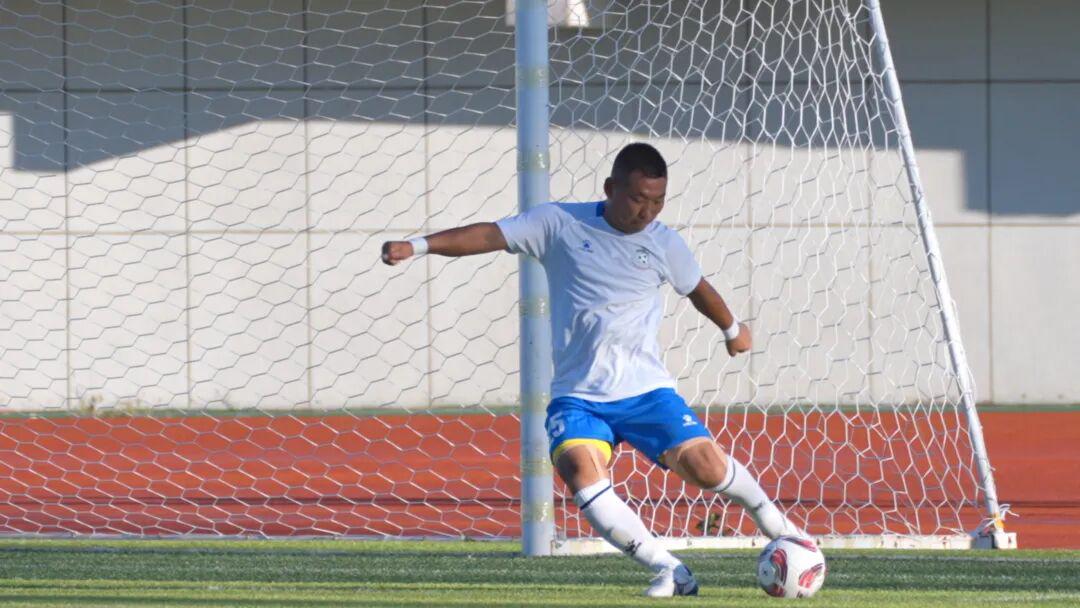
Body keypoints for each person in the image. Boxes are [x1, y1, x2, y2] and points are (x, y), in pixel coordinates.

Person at [381, 142, 805, 597]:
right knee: (579, 470)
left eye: (658, 201)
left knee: (705, 467)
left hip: (646, 392)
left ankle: (781, 529)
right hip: (579, 396)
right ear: (610, 188)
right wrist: (418, 246)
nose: (647, 211)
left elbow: (697, 288)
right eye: (638, 198)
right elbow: (489, 235)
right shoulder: (557, 223)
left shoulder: (663, 242)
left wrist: (732, 329)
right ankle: (670, 570)